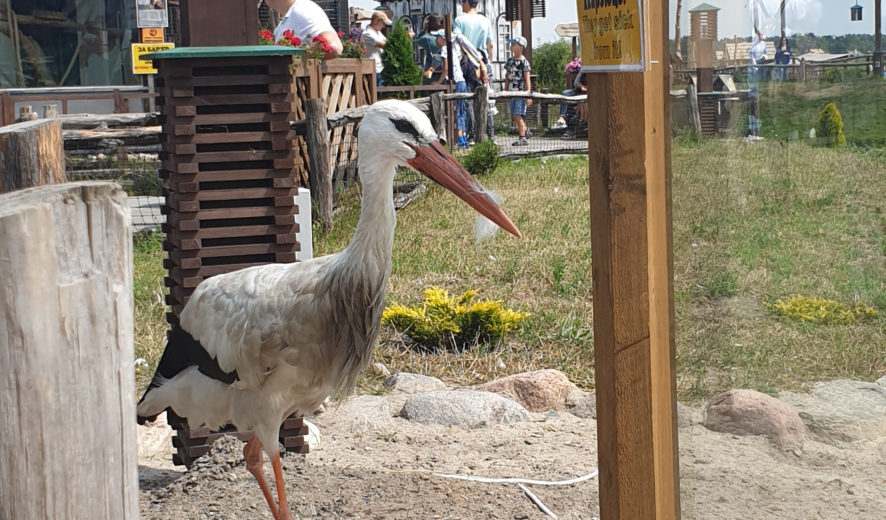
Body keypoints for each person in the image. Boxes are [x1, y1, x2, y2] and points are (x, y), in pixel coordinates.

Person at [430, 29, 488, 149]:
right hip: (461, 81)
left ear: (442, 39)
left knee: (455, 111)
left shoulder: (445, 49)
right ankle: (463, 138)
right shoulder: (452, 50)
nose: (436, 40)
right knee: (461, 110)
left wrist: (438, 82)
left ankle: (460, 139)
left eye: (437, 38)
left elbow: (446, 69)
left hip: (455, 82)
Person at [454, 0, 494, 142]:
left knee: (469, 99)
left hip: (467, 60)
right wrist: (488, 62)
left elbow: (459, 41)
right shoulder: (485, 21)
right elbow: (490, 44)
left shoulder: (459, 20)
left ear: (466, 2)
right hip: (483, 59)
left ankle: (472, 135)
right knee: (486, 98)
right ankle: (490, 134)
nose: (461, 5)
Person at [267, 0, 342, 59]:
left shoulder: (303, 10)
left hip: (307, 77)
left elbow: (334, 47)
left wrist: (295, 60)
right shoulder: (286, 19)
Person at [504, 36, 531, 147]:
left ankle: (522, 137)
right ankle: (525, 130)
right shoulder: (510, 61)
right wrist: (505, 89)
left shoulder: (524, 62)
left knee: (518, 114)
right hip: (511, 91)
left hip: (520, 92)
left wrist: (528, 94)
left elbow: (527, 78)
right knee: (514, 115)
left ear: (520, 47)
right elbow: (507, 76)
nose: (511, 46)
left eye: (514, 44)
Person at [363, 10, 392, 87]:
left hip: (380, 68)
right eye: (383, 23)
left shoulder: (378, 33)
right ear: (376, 21)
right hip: (373, 70)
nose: (383, 26)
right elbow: (384, 45)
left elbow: (388, 42)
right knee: (376, 94)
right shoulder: (367, 33)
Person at [415, 14, 444, 85]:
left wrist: (424, 29)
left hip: (430, 71)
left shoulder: (427, 38)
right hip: (443, 71)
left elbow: (416, 40)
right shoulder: (445, 37)